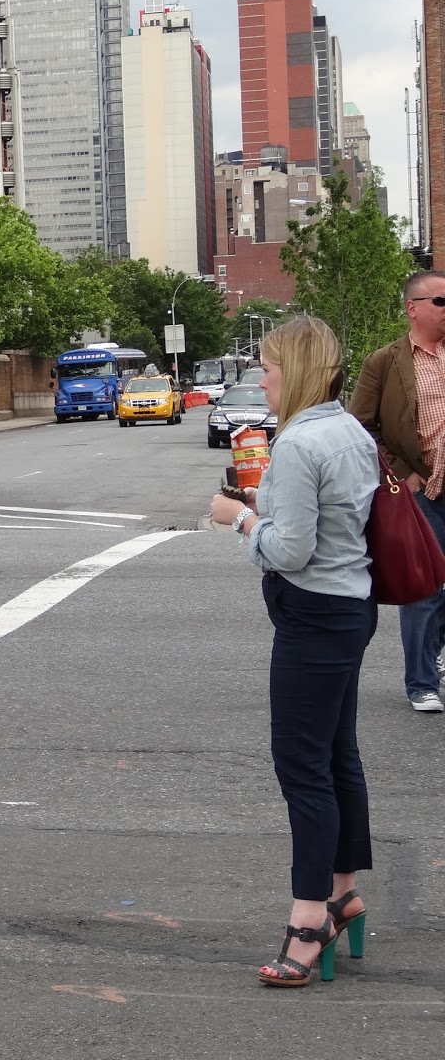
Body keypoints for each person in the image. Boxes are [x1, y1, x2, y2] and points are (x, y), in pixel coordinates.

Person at [209, 316, 378, 988]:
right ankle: (342, 894)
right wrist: (267, 505)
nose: (264, 380)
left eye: (271, 368)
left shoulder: (302, 444)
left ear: (298, 370)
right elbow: (328, 521)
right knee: (338, 757)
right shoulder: (349, 432)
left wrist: (241, 518)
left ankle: (308, 922)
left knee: (303, 769)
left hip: (313, 614)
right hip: (351, 606)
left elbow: (289, 550)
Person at [350, 268, 445, 712]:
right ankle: (421, 681)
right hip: (422, 494)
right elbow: (361, 425)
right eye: (440, 302)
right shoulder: (385, 362)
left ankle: (434, 654)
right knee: (424, 590)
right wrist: (402, 473)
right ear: (413, 308)